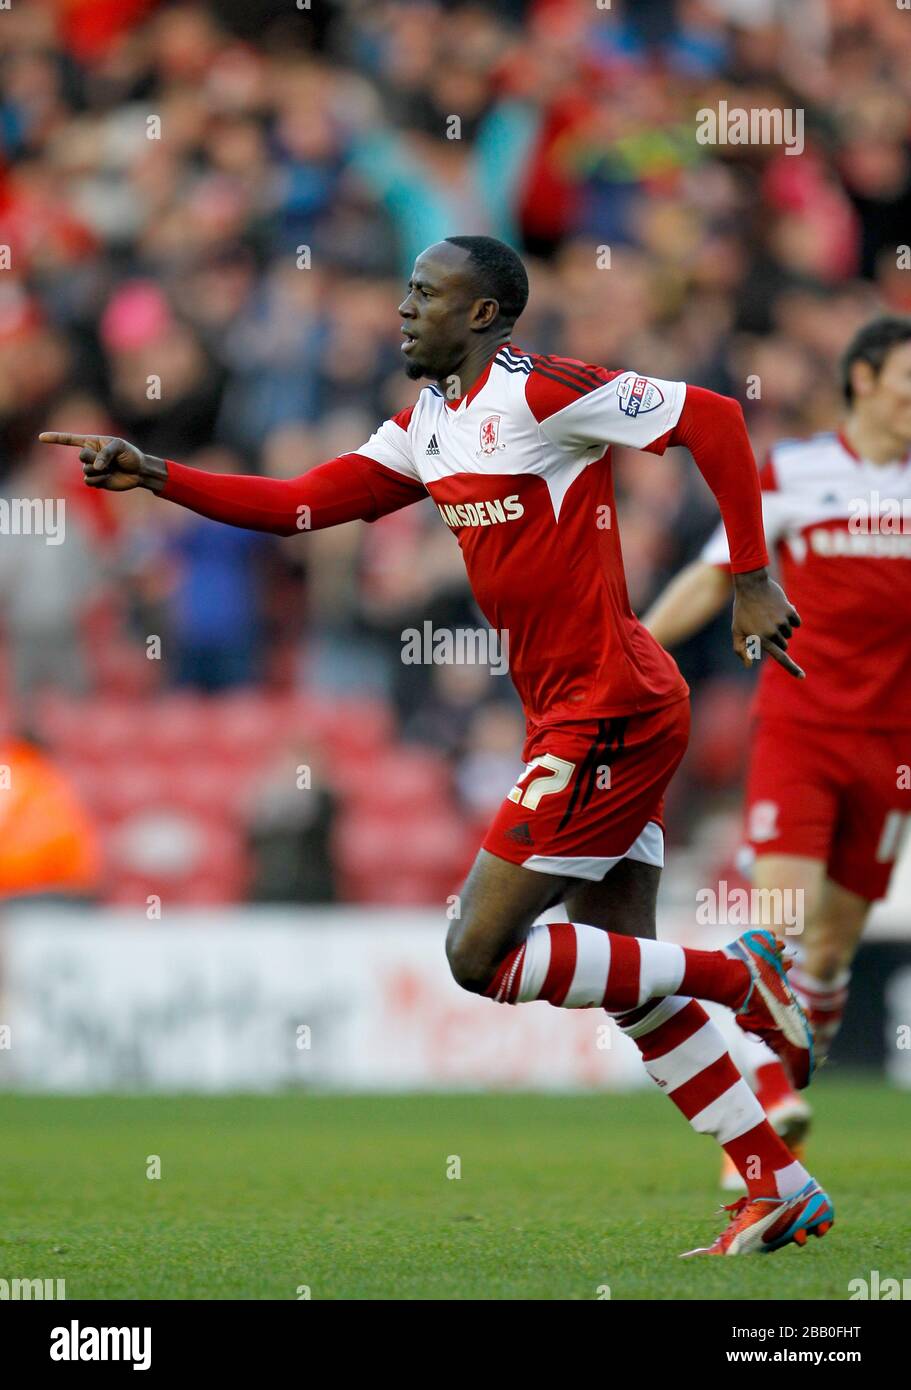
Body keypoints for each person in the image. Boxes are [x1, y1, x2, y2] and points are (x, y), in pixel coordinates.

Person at [40, 234, 832, 1256]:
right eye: (406, 290)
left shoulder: (543, 392)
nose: (404, 309)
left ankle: (738, 974)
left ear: (484, 315)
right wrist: (158, 476)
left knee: (477, 953)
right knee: (631, 979)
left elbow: (715, 419)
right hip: (578, 708)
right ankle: (775, 1182)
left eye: (426, 294)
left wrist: (749, 574)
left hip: (610, 706)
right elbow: (297, 506)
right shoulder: (428, 426)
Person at [642, 316, 911, 1187]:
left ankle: (779, 1088)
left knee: (829, 949)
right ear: (864, 377)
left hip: (894, 743)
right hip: (798, 725)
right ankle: (765, 1104)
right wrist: (641, 646)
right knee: (780, 930)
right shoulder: (794, 470)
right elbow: (717, 570)